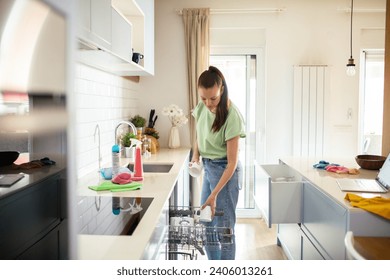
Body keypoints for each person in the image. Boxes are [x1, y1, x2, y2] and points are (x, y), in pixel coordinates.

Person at [191, 66, 246, 260]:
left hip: (225, 172)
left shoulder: (232, 117)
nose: (208, 103)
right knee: (206, 223)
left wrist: (214, 195)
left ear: (221, 90)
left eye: (213, 98)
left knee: (225, 229)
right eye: (203, 98)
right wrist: (196, 156)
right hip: (208, 168)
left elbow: (232, 163)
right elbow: (199, 133)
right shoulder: (201, 107)